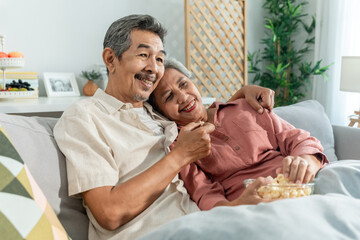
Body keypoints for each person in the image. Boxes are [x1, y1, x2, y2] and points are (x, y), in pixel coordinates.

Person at [53, 14, 275, 239]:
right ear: (111, 59)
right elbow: (109, 212)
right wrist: (180, 156)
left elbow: (200, 110)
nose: (153, 68)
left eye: (159, 59)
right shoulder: (84, 116)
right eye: (143, 55)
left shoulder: (158, 114)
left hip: (206, 223)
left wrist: (242, 94)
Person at [148, 57, 329, 211]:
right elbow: (204, 193)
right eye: (169, 97)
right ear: (161, 112)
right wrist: (237, 206)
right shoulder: (181, 145)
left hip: (305, 182)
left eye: (184, 84)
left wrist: (306, 162)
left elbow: (298, 139)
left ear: (193, 82)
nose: (182, 96)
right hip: (257, 204)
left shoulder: (246, 106)